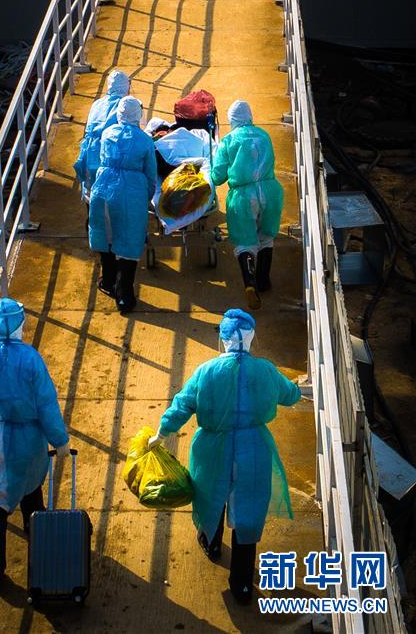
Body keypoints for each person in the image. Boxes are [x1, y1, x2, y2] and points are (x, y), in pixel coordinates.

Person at [148, 309, 301, 604]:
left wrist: (162, 432)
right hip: (253, 448)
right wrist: (299, 389)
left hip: (212, 448)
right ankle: (241, 584)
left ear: (223, 339)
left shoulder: (206, 371)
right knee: (249, 511)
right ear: (252, 338)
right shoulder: (266, 370)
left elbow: (182, 404)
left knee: (212, 496)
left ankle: (212, 543)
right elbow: (290, 394)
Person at [0, 297, 70, 581]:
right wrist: (60, 441)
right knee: (30, 488)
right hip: (25, 439)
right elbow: (46, 404)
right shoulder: (31, 358)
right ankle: (41, 546)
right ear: (21, 324)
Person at [210, 100, 283, 310]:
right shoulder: (264, 135)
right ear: (249, 116)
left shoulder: (229, 140)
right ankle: (263, 280)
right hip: (270, 191)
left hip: (243, 195)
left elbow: (217, 176)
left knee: (245, 241)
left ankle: (249, 283)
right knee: (266, 237)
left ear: (231, 119)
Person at [88, 96, 157, 313]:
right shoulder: (145, 140)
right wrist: (145, 197)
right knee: (129, 241)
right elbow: (151, 174)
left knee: (106, 237)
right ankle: (124, 296)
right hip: (132, 192)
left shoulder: (108, 133)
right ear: (138, 115)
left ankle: (108, 281)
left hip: (104, 187)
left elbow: (98, 159)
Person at [73, 69, 130, 201]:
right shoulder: (125, 106)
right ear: (126, 86)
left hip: (91, 152)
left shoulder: (97, 104)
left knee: (92, 192)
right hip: (111, 153)